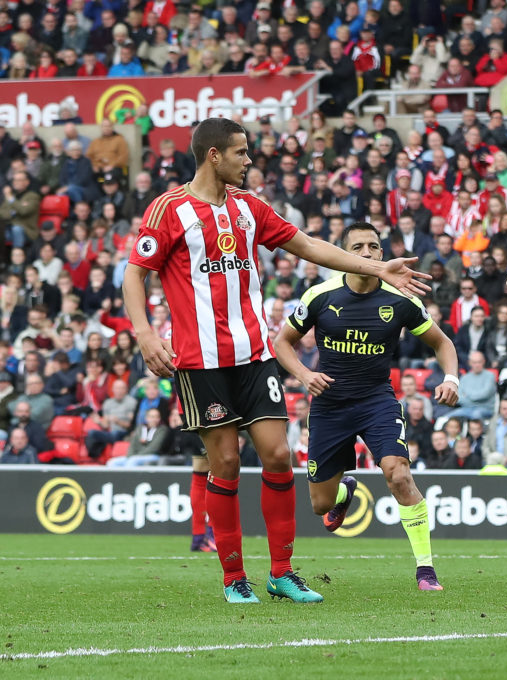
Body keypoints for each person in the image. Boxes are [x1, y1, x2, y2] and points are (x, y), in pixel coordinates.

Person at [122, 118, 430, 605]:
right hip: (201, 362)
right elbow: (135, 274)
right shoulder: (169, 209)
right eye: (241, 153)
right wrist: (143, 333)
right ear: (214, 156)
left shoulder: (250, 209)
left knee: (279, 455)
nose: (249, 161)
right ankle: (233, 578)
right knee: (223, 463)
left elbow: (308, 246)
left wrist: (376, 267)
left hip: (254, 355)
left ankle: (282, 572)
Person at [274, 221, 459, 591]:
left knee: (399, 474)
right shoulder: (320, 296)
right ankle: (345, 491)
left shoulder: (401, 299)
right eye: (357, 247)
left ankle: (426, 570)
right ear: (342, 256)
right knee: (320, 505)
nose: (367, 253)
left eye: (374, 247)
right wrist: (304, 375)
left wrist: (451, 378)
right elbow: (281, 343)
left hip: (377, 400)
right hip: (329, 405)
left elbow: (442, 343)